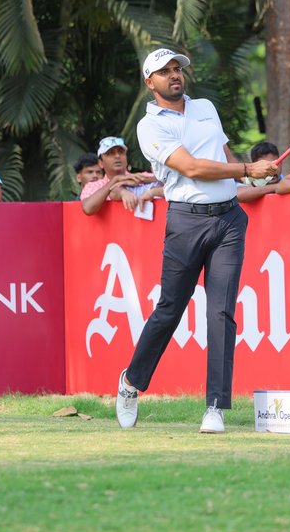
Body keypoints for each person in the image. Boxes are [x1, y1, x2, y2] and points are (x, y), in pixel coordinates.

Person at [115, 48, 278, 434]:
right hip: (186, 222)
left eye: (177, 69)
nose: (174, 75)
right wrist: (246, 167)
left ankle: (216, 408)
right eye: (164, 71)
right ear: (149, 82)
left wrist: (251, 179)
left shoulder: (205, 106)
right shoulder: (149, 126)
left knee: (221, 313)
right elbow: (190, 167)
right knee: (171, 308)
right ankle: (131, 382)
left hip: (229, 221)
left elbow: (221, 156)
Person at [80, 136, 161, 215]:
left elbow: (169, 182)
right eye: (110, 153)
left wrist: (144, 180)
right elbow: (88, 208)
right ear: (101, 163)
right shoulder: (93, 186)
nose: (117, 156)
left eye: (121, 152)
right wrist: (116, 180)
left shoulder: (141, 177)